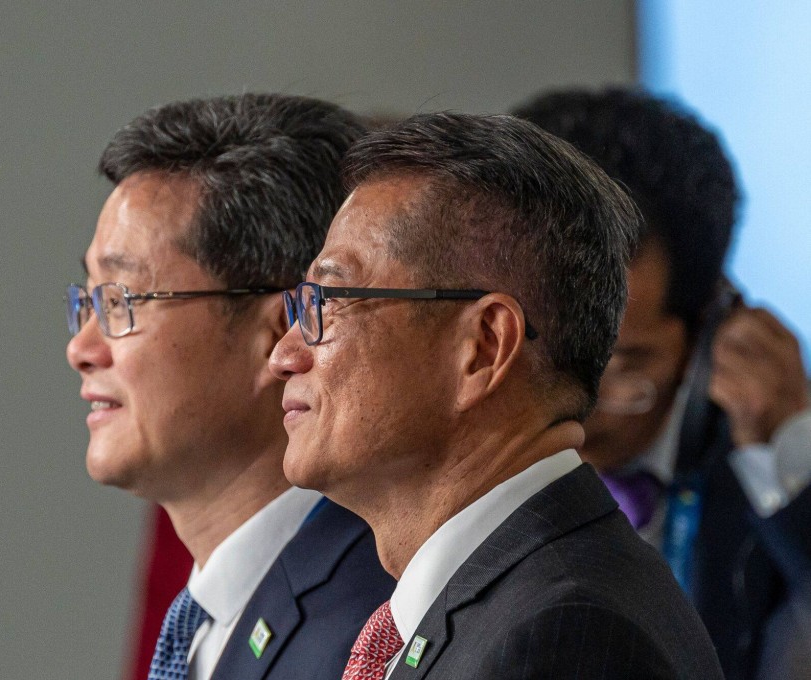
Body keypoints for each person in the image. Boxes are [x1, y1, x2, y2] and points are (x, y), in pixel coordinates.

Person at [269, 112, 723, 679]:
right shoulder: (497, 595)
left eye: (331, 300)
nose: (284, 354)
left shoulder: (564, 633)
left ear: (483, 347)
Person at [65, 93, 395, 680]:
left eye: (121, 301)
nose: (82, 348)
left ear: (279, 333)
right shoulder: (205, 615)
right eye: (88, 301)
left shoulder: (373, 631)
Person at [514, 87, 811, 680]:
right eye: (531, 345)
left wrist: (795, 462)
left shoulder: (771, 470)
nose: (569, 408)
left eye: (618, 364)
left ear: (709, 328)